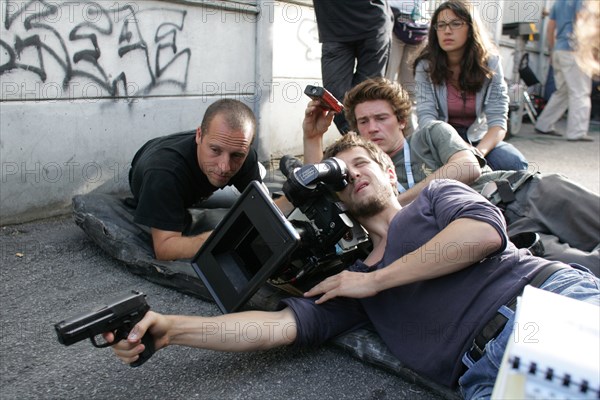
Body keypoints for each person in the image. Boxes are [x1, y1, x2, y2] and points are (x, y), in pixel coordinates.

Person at [107, 133, 600, 400]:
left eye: (362, 165)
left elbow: (483, 235)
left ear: (388, 171)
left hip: (539, 309)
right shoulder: (351, 279)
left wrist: (379, 281)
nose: (352, 177)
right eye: (340, 177)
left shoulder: (434, 200)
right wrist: (172, 330)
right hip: (484, 378)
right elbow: (274, 328)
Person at [303, 77, 600, 274]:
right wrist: (313, 139)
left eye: (381, 118)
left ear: (401, 121)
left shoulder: (431, 134)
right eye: (363, 122)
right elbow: (322, 200)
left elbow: (467, 167)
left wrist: (398, 204)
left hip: (522, 192)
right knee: (587, 270)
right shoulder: (364, 170)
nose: (373, 128)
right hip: (499, 233)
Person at [128, 99, 292, 261]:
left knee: (255, 196)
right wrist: (221, 237)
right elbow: (165, 249)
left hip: (201, 184)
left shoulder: (243, 152)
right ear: (199, 135)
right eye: (215, 150)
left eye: (237, 155)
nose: (224, 167)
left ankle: (254, 170)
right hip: (154, 167)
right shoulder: (164, 174)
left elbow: (267, 209)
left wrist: (298, 194)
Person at [413, 0, 528, 171]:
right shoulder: (425, 65)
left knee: (515, 163)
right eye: (441, 25)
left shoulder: (491, 63)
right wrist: (456, 148)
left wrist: (478, 152)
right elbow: (426, 117)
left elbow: (498, 121)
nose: (447, 30)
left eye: (456, 24)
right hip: (440, 138)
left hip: (478, 138)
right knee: (428, 169)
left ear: (471, 29)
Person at [312, 0, 393, 134]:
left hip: (373, 24)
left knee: (367, 97)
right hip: (333, 28)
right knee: (334, 100)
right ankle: (359, 144)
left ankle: (362, 147)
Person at [534, 0, 593, 142]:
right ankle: (577, 132)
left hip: (559, 50)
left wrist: (552, 50)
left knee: (563, 91)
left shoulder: (558, 2)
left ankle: (544, 125)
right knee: (580, 92)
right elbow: (581, 20)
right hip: (575, 50)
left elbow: (551, 27)